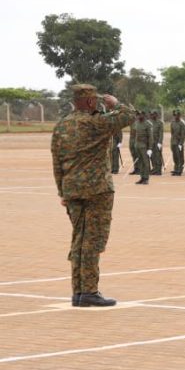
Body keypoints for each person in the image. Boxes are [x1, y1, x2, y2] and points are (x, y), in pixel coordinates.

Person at [50, 84, 135, 306]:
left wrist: (62, 191)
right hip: (96, 190)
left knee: (79, 238)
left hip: (72, 190)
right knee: (92, 241)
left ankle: (78, 292)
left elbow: (57, 162)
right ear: (89, 102)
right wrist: (115, 104)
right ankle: (88, 291)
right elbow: (128, 116)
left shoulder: (62, 125)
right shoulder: (95, 123)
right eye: (95, 101)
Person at [134, 110, 153, 184]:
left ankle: (146, 178)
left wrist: (150, 148)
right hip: (138, 146)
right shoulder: (137, 123)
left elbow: (150, 137)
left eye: (140, 114)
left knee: (146, 162)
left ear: (144, 115)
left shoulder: (148, 124)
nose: (138, 116)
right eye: (138, 115)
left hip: (144, 146)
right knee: (140, 162)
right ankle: (142, 177)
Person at [169, 109, 185, 176]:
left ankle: (180, 170)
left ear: (179, 115)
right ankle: (176, 169)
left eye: (177, 115)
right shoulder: (172, 123)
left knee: (180, 156)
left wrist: (181, 143)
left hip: (179, 142)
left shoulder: (182, 123)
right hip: (173, 142)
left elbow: (183, 134)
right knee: (175, 156)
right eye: (175, 115)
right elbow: (172, 132)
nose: (176, 116)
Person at [149, 110, 164, 175]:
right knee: (152, 156)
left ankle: (159, 170)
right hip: (151, 142)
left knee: (158, 156)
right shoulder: (149, 123)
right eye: (151, 115)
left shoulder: (160, 123)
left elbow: (161, 133)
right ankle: (154, 168)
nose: (152, 116)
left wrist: (160, 142)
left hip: (157, 141)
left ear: (156, 115)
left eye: (153, 114)